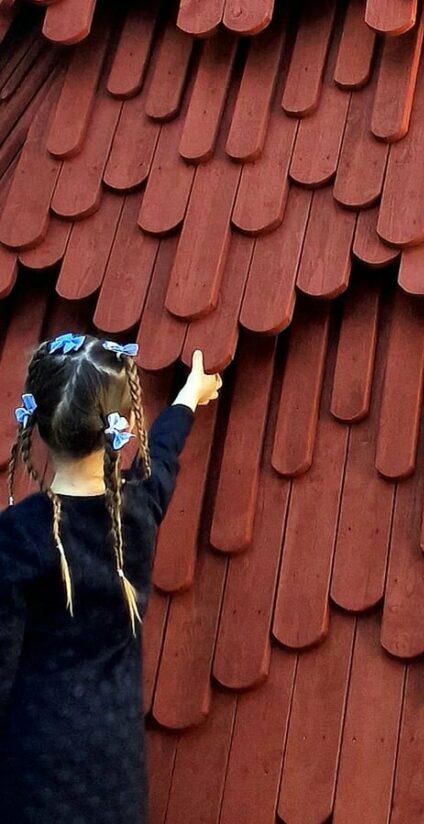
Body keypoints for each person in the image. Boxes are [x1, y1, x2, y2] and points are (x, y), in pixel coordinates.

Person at [0, 334, 222, 824]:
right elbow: (162, 456)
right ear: (117, 426)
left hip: (34, 760)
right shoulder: (138, 506)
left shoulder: (17, 537)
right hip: (113, 757)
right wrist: (190, 395)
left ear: (38, 426)